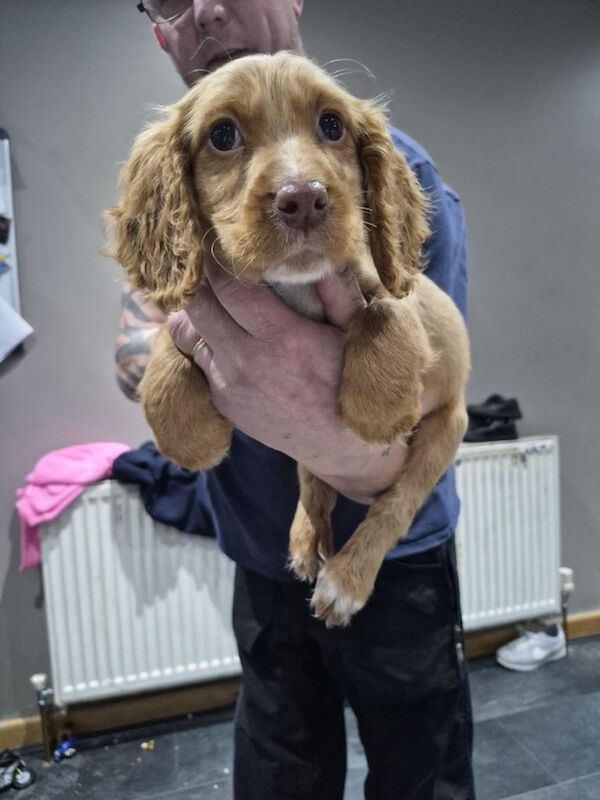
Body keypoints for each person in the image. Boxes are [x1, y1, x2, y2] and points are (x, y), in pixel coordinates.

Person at [117, 2, 475, 798]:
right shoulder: (179, 193)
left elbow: (409, 416)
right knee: (280, 774)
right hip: (260, 549)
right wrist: (176, 354)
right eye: (224, 137)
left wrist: (288, 407)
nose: (208, 6)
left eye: (328, 129)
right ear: (159, 30)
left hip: (400, 553)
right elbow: (139, 342)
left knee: (421, 776)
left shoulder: (406, 178)